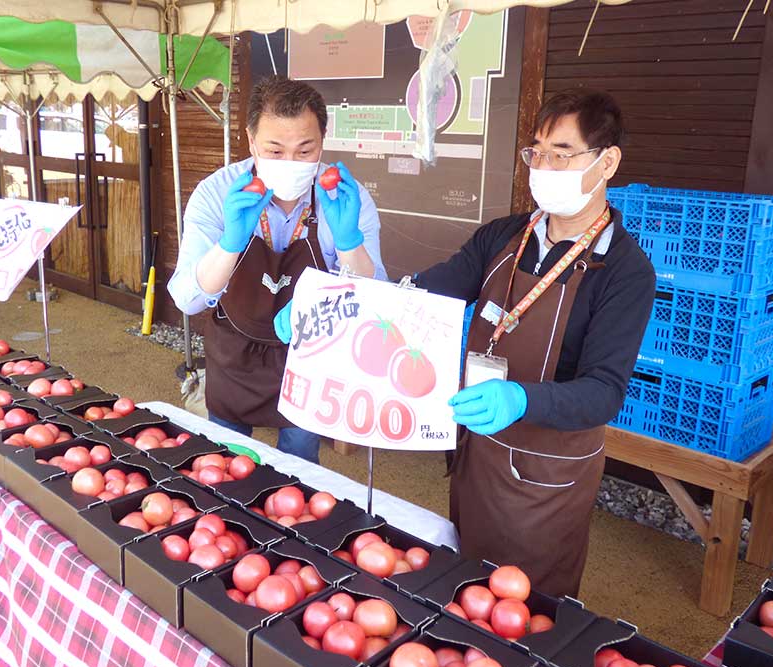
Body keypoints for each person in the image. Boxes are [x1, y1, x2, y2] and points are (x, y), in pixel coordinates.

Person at [277, 89, 655, 597]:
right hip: (475, 449)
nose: (542, 166)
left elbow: (604, 391)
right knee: (466, 587)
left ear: (607, 161)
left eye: (560, 153)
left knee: (527, 603)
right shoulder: (503, 236)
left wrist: (520, 398)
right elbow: (415, 299)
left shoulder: (625, 272)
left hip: (547, 474)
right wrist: (324, 302)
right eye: (536, 151)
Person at [169, 76, 387, 464]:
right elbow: (187, 299)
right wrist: (229, 244)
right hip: (235, 354)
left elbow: (376, 298)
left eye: (306, 151)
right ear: (251, 141)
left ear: (323, 140)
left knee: (300, 462)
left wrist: (350, 242)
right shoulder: (217, 193)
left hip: (311, 353)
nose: (291, 164)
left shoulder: (345, 197)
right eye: (274, 150)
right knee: (225, 460)